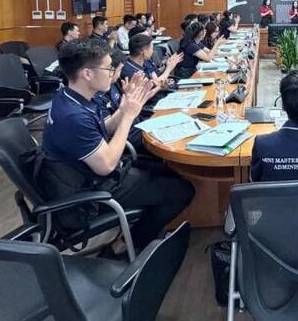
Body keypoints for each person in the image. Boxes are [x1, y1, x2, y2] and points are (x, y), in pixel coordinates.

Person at [40, 39, 195, 250]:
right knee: (182, 190)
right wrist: (129, 116)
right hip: (88, 195)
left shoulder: (73, 96)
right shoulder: (73, 117)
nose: (112, 72)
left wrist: (123, 109)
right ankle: (127, 245)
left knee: (171, 169)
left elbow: (105, 127)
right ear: (87, 73)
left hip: (91, 175)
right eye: (108, 68)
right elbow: (107, 165)